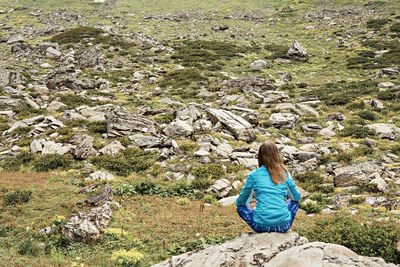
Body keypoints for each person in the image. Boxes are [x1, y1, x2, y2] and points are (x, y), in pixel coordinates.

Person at [236, 141, 301, 233]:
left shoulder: (254, 175)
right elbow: (296, 197)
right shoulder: (284, 173)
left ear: (260, 156)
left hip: (261, 226)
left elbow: (243, 201)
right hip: (283, 226)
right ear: (276, 155)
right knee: (294, 202)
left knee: (240, 207)